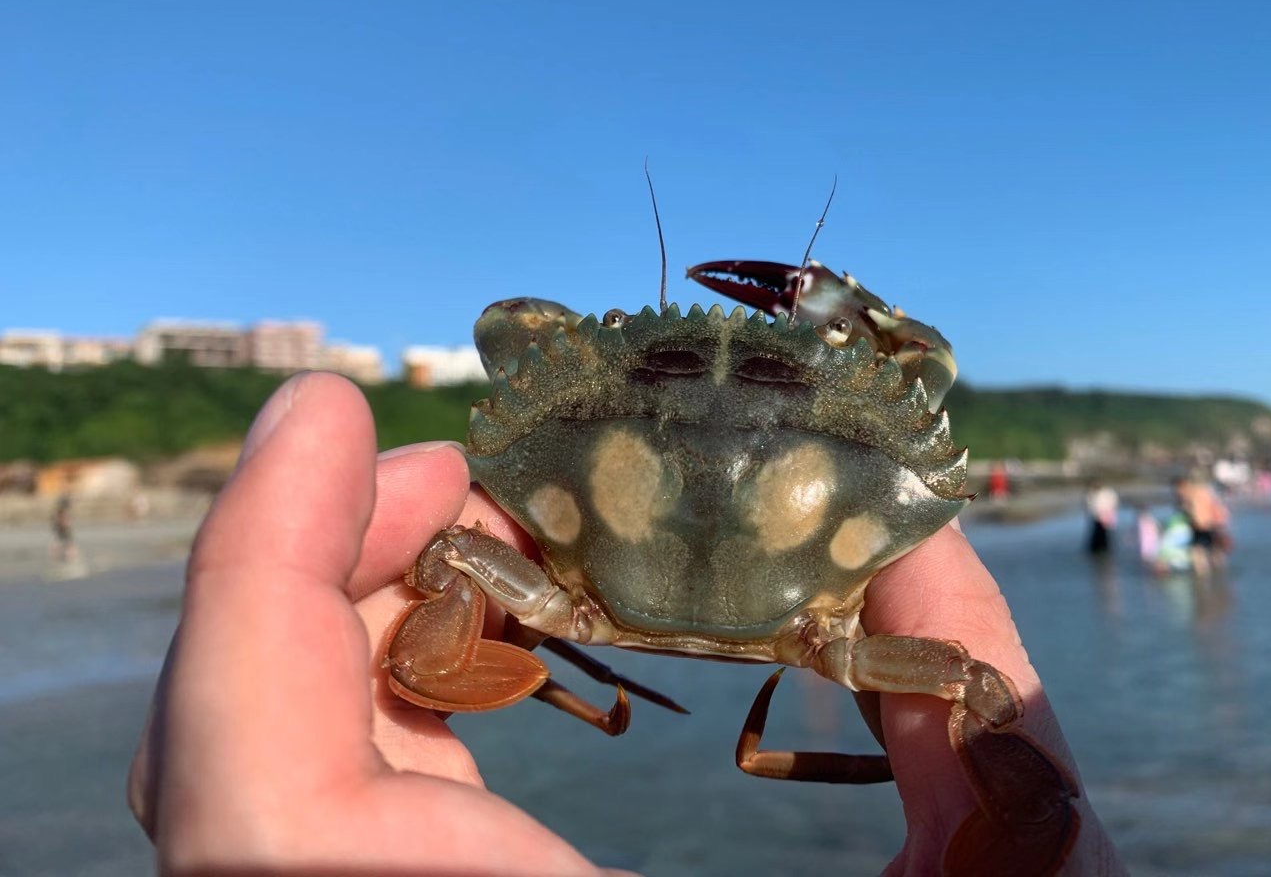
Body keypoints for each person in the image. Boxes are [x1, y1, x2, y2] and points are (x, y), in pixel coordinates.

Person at [127, 373, 1123, 874]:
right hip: (822, 639)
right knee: (976, 685)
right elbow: (975, 683)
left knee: (443, 552)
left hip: (572, 608)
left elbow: (447, 550)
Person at [1083, 480, 1119, 554]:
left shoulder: (1106, 492)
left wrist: (1108, 512)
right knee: (1098, 533)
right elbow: (1089, 505)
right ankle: (1097, 549)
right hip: (1097, 517)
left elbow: (1113, 502)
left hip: (1105, 515)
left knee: (1105, 534)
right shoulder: (1091, 494)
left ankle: (1104, 549)